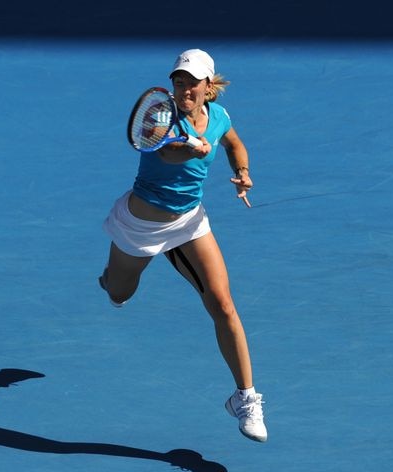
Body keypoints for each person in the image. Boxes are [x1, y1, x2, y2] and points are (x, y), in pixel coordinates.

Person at [98, 49, 267, 442]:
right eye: (179, 81)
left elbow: (234, 143)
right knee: (120, 292)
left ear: (209, 86)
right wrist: (190, 146)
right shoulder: (159, 119)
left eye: (193, 82)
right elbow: (168, 152)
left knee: (222, 302)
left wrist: (242, 172)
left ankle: (245, 398)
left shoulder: (219, 117)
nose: (185, 88)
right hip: (139, 226)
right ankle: (108, 282)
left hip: (190, 222)